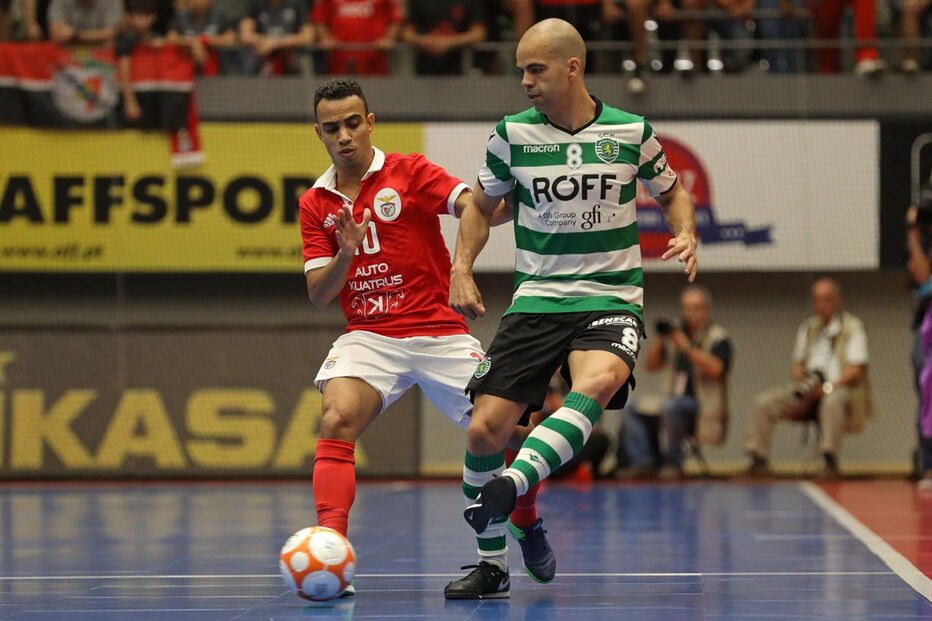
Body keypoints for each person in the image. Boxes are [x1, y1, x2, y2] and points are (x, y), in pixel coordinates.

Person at [444, 18, 698, 598]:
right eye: (522, 71)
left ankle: (513, 485)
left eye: (535, 69)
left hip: (610, 296)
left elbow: (674, 191)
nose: (525, 81)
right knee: (484, 430)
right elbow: (480, 207)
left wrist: (684, 231)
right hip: (537, 300)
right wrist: (460, 267)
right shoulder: (510, 135)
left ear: (571, 67)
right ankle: (501, 553)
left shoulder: (632, 131)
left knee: (602, 379)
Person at [299, 77, 549, 598]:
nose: (343, 136)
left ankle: (526, 519)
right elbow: (321, 294)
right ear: (319, 133)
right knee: (336, 418)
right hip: (369, 334)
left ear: (369, 122)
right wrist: (345, 251)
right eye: (331, 128)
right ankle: (331, 554)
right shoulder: (314, 203)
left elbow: (473, 209)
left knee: (511, 430)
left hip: (439, 330)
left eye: (352, 123)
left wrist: (468, 259)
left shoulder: (409, 171)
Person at [744, 278, 872, 479]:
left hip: (838, 390)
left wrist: (827, 387)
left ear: (838, 300)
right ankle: (758, 460)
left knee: (832, 401)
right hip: (808, 389)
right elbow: (797, 364)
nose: (821, 305)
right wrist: (803, 382)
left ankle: (830, 461)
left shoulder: (853, 327)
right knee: (764, 402)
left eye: (826, 299)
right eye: (817, 300)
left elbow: (856, 369)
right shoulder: (808, 327)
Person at [620, 285, 731, 480]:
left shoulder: (719, 337)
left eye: (696, 308)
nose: (691, 313)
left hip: (702, 405)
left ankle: (673, 464)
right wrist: (660, 338)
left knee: (672, 407)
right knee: (630, 406)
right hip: (671, 398)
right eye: (687, 308)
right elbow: (651, 366)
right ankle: (643, 462)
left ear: (706, 310)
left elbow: (716, 370)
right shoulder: (675, 334)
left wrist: (686, 346)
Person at [906, 192, 932, 487]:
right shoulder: (921, 243)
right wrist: (913, 233)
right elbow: (923, 279)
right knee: (928, 398)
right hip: (927, 331)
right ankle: (928, 464)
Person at [312, 0, 403, 76]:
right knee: (339, 93)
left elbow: (395, 17)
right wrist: (325, 37)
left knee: (375, 93)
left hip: (375, 59)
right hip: (338, 58)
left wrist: (389, 38)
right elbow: (319, 17)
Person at [401, 0, 486, 75]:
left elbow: (479, 33)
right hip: (423, 69)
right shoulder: (417, 1)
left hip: (458, 68)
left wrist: (449, 42)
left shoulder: (469, 2)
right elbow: (406, 34)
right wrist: (422, 41)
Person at [238, 0, 314, 76]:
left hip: (291, 62)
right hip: (261, 61)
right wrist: (268, 43)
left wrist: (274, 44)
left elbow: (308, 36)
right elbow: (246, 36)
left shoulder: (298, 3)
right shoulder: (255, 3)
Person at [115, 0, 159, 123]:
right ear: (129, 18)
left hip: (152, 95)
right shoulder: (127, 39)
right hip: (133, 94)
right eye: (137, 16)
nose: (141, 20)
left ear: (153, 17)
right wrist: (130, 101)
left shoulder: (157, 37)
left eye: (145, 16)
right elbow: (124, 67)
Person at [168, 0, 237, 76]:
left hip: (215, 65)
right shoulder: (181, 16)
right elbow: (171, 38)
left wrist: (204, 41)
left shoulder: (220, 15)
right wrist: (192, 43)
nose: (199, 1)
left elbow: (230, 39)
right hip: (186, 65)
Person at [48, 0, 123, 46]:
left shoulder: (112, 1)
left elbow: (111, 33)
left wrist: (75, 34)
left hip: (104, 54)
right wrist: (98, 35)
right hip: (67, 54)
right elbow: (57, 33)